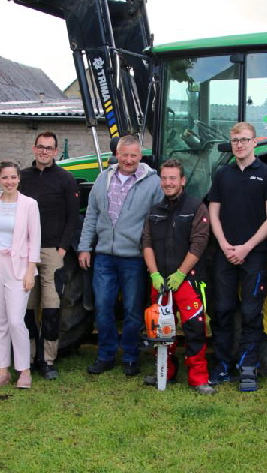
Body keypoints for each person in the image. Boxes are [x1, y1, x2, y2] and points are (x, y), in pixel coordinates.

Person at [78, 134, 164, 376]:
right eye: (124, 155)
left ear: (140, 156)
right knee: (102, 306)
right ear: (116, 154)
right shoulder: (103, 179)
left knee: (132, 310)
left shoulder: (153, 183)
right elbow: (91, 215)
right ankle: (105, 355)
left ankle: (130, 356)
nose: (128, 160)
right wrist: (84, 247)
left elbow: (156, 222)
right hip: (104, 255)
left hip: (134, 257)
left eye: (133, 155)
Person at [207, 122, 267, 392]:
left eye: (244, 140)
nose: (239, 145)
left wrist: (246, 247)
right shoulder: (222, 174)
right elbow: (213, 213)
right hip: (225, 253)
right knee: (222, 309)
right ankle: (222, 364)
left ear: (254, 142)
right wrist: (225, 244)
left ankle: (248, 365)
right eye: (235, 140)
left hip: (253, 254)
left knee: (251, 311)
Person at [141, 158, 214, 395]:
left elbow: (199, 244)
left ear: (182, 180)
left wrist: (181, 273)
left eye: (172, 178)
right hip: (160, 281)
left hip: (187, 280)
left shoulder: (196, 207)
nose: (168, 183)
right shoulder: (155, 211)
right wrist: (154, 273)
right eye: (164, 178)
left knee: (194, 328)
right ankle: (165, 372)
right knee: (160, 328)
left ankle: (198, 378)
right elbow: (147, 243)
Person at [19, 131, 80, 380]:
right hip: (25, 253)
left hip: (52, 251)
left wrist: (62, 247)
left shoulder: (65, 179)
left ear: (55, 152)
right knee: (27, 308)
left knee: (52, 307)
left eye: (49, 148)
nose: (44, 151)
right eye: (41, 147)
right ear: (34, 149)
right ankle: (28, 356)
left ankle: (47, 359)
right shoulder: (22, 177)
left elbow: (73, 217)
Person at [0, 161, 41, 391]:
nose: (9, 182)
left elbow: (34, 239)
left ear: (18, 179)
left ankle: (24, 371)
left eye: (13, 177)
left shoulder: (29, 204)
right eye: (5, 177)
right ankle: (3, 371)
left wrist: (30, 271)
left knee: (16, 320)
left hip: (19, 267)